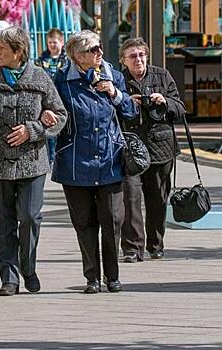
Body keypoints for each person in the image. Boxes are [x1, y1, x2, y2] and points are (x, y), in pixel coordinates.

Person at [0, 26, 67, 296]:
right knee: (3, 221)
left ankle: (28, 267)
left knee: (29, 217)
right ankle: (9, 276)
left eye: (2, 49)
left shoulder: (40, 77)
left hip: (32, 162)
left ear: (18, 51)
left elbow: (60, 115)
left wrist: (34, 129)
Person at [52, 30, 138, 294]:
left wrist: (115, 93)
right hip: (75, 163)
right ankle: (92, 277)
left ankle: (112, 275)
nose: (99, 53)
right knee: (84, 223)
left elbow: (131, 112)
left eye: (100, 48)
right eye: (93, 50)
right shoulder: (62, 81)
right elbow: (54, 114)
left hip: (109, 161)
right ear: (78, 56)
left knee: (112, 221)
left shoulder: (114, 75)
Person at [119, 37, 185, 262]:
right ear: (123, 60)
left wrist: (164, 100)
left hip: (160, 148)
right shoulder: (119, 81)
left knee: (157, 200)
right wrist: (126, 102)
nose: (138, 59)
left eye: (141, 55)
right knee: (130, 199)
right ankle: (132, 249)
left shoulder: (162, 75)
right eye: (133, 56)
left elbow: (180, 107)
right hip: (130, 149)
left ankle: (155, 245)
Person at [35, 28, 67, 166]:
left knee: (61, 128)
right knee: (48, 128)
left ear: (61, 42)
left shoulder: (67, 60)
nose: (52, 45)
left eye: (55, 42)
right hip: (46, 100)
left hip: (62, 98)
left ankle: (59, 157)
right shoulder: (41, 60)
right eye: (49, 42)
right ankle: (50, 158)